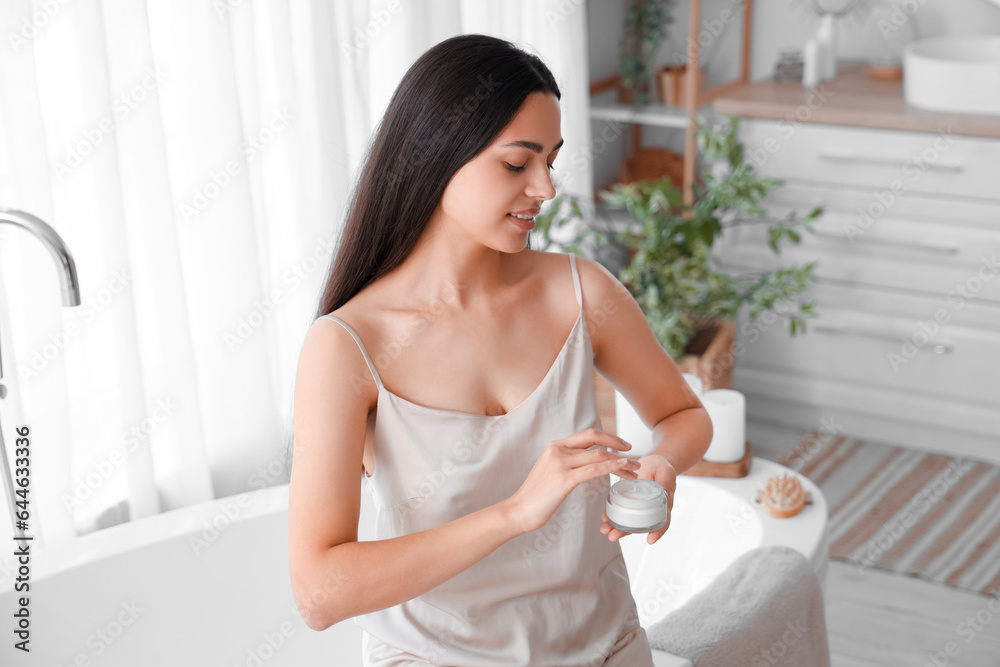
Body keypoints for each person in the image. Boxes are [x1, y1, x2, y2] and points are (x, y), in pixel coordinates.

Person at [288, 33, 713, 666]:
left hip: (607, 648)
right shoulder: (348, 346)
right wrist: (516, 513)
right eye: (517, 164)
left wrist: (665, 463)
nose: (545, 189)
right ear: (437, 155)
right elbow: (320, 594)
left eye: (551, 160)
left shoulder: (579, 292)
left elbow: (684, 416)